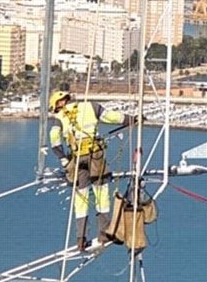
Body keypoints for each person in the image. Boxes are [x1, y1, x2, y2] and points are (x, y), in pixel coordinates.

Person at [48, 90, 140, 251]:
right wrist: (130, 120)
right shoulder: (91, 107)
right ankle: (104, 233)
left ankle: (81, 238)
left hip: (76, 158)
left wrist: (63, 159)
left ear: (59, 104)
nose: (57, 111)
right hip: (95, 155)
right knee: (101, 192)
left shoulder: (60, 118)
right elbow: (111, 117)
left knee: (81, 196)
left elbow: (54, 138)